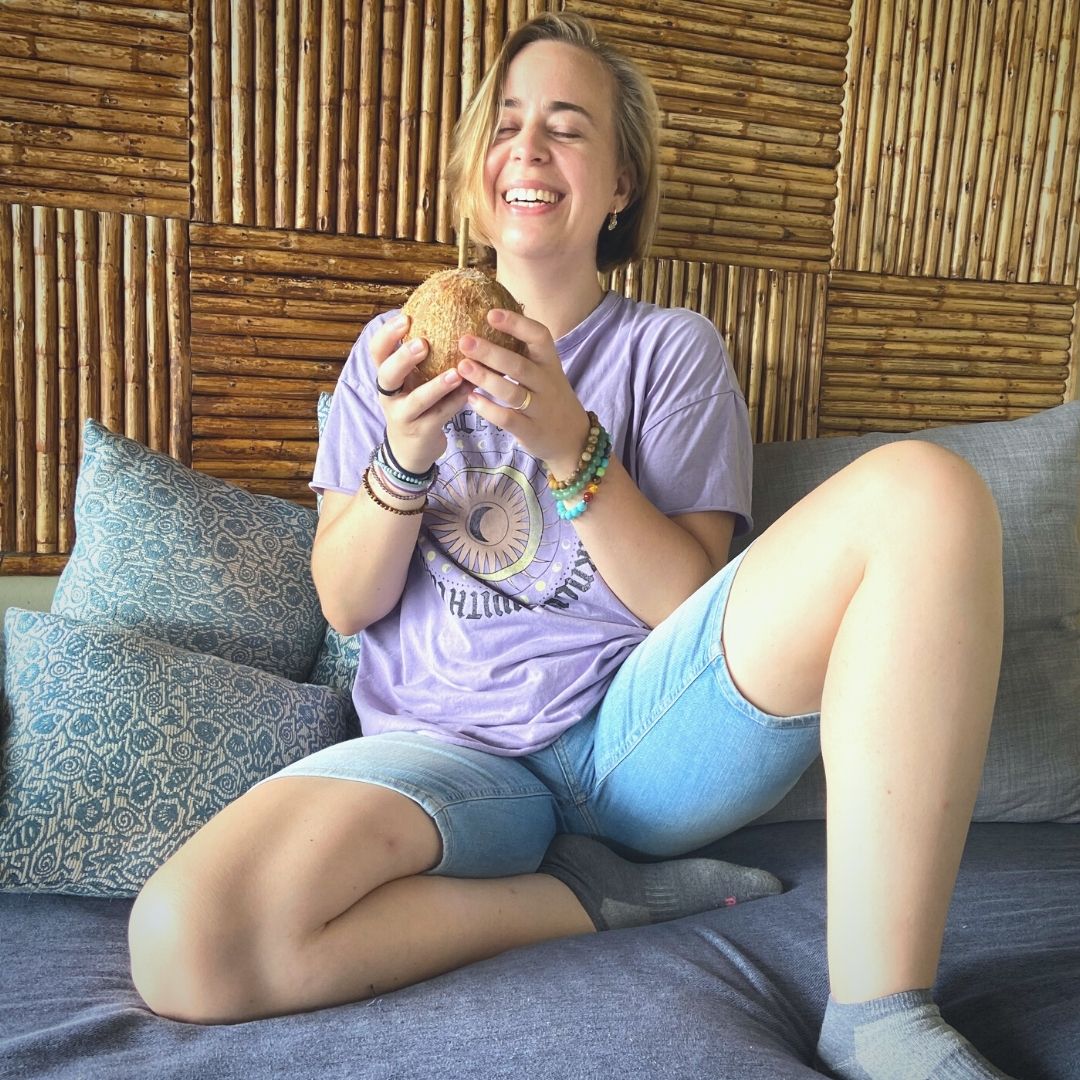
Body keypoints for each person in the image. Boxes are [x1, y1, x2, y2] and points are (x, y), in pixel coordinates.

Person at [128, 13, 1013, 1080]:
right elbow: (344, 604)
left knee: (927, 492)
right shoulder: (390, 355)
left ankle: (880, 1015)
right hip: (445, 758)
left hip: (640, 743)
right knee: (185, 945)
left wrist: (569, 444)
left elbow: (685, 603)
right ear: (473, 177)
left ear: (620, 185)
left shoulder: (668, 351)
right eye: (507, 125)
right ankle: (586, 898)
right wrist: (404, 457)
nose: (531, 149)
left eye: (568, 126)